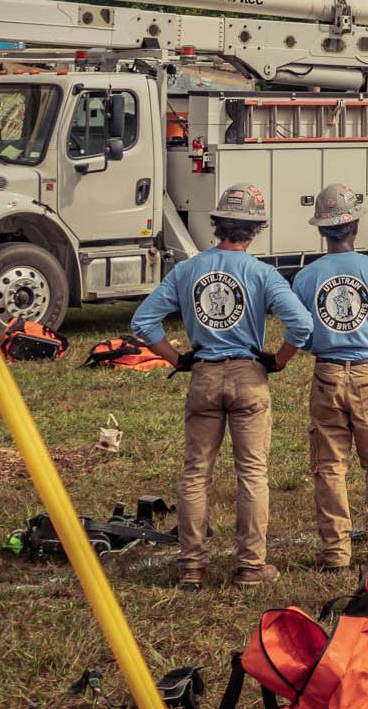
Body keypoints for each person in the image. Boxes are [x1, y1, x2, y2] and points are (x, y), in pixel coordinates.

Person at [131, 183, 314, 590]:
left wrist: (176, 359)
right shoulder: (263, 274)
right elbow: (302, 325)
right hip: (250, 376)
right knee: (252, 473)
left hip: (204, 376)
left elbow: (143, 323)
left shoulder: (187, 270)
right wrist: (278, 361)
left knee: (196, 473)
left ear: (218, 226)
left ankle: (191, 567)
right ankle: (251, 567)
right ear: (254, 230)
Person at [290, 184, 368, 575]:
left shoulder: (305, 278)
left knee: (329, 465)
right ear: (353, 226)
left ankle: (336, 552)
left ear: (323, 230)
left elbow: (301, 333)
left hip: (326, 373)